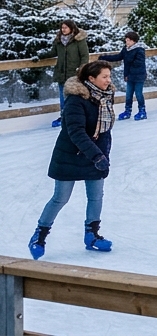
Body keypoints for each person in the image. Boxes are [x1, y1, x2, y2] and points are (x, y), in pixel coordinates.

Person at [28, 60, 117, 259]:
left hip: (95, 155)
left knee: (96, 196)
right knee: (61, 198)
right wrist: (97, 155)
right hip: (70, 155)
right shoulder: (76, 100)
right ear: (91, 78)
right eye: (104, 77)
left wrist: (104, 154)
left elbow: (105, 132)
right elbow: (76, 132)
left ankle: (92, 235)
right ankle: (39, 236)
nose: (108, 80)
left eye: (109, 76)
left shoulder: (104, 97)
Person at [43, 20, 90, 127]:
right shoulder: (58, 40)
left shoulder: (79, 40)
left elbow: (84, 56)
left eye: (65, 27)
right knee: (62, 96)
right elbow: (53, 52)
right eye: (62, 27)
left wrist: (81, 69)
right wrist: (41, 56)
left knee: (75, 97)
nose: (63, 29)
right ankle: (64, 116)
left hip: (74, 73)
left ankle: (77, 116)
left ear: (71, 28)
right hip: (61, 73)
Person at [100, 31, 147, 121]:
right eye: (126, 40)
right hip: (129, 76)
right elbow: (118, 57)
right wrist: (104, 57)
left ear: (134, 41)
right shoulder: (126, 49)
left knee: (138, 94)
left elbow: (138, 63)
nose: (127, 42)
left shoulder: (139, 50)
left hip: (139, 76)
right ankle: (127, 111)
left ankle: (142, 111)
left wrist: (128, 60)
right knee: (128, 95)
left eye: (129, 40)